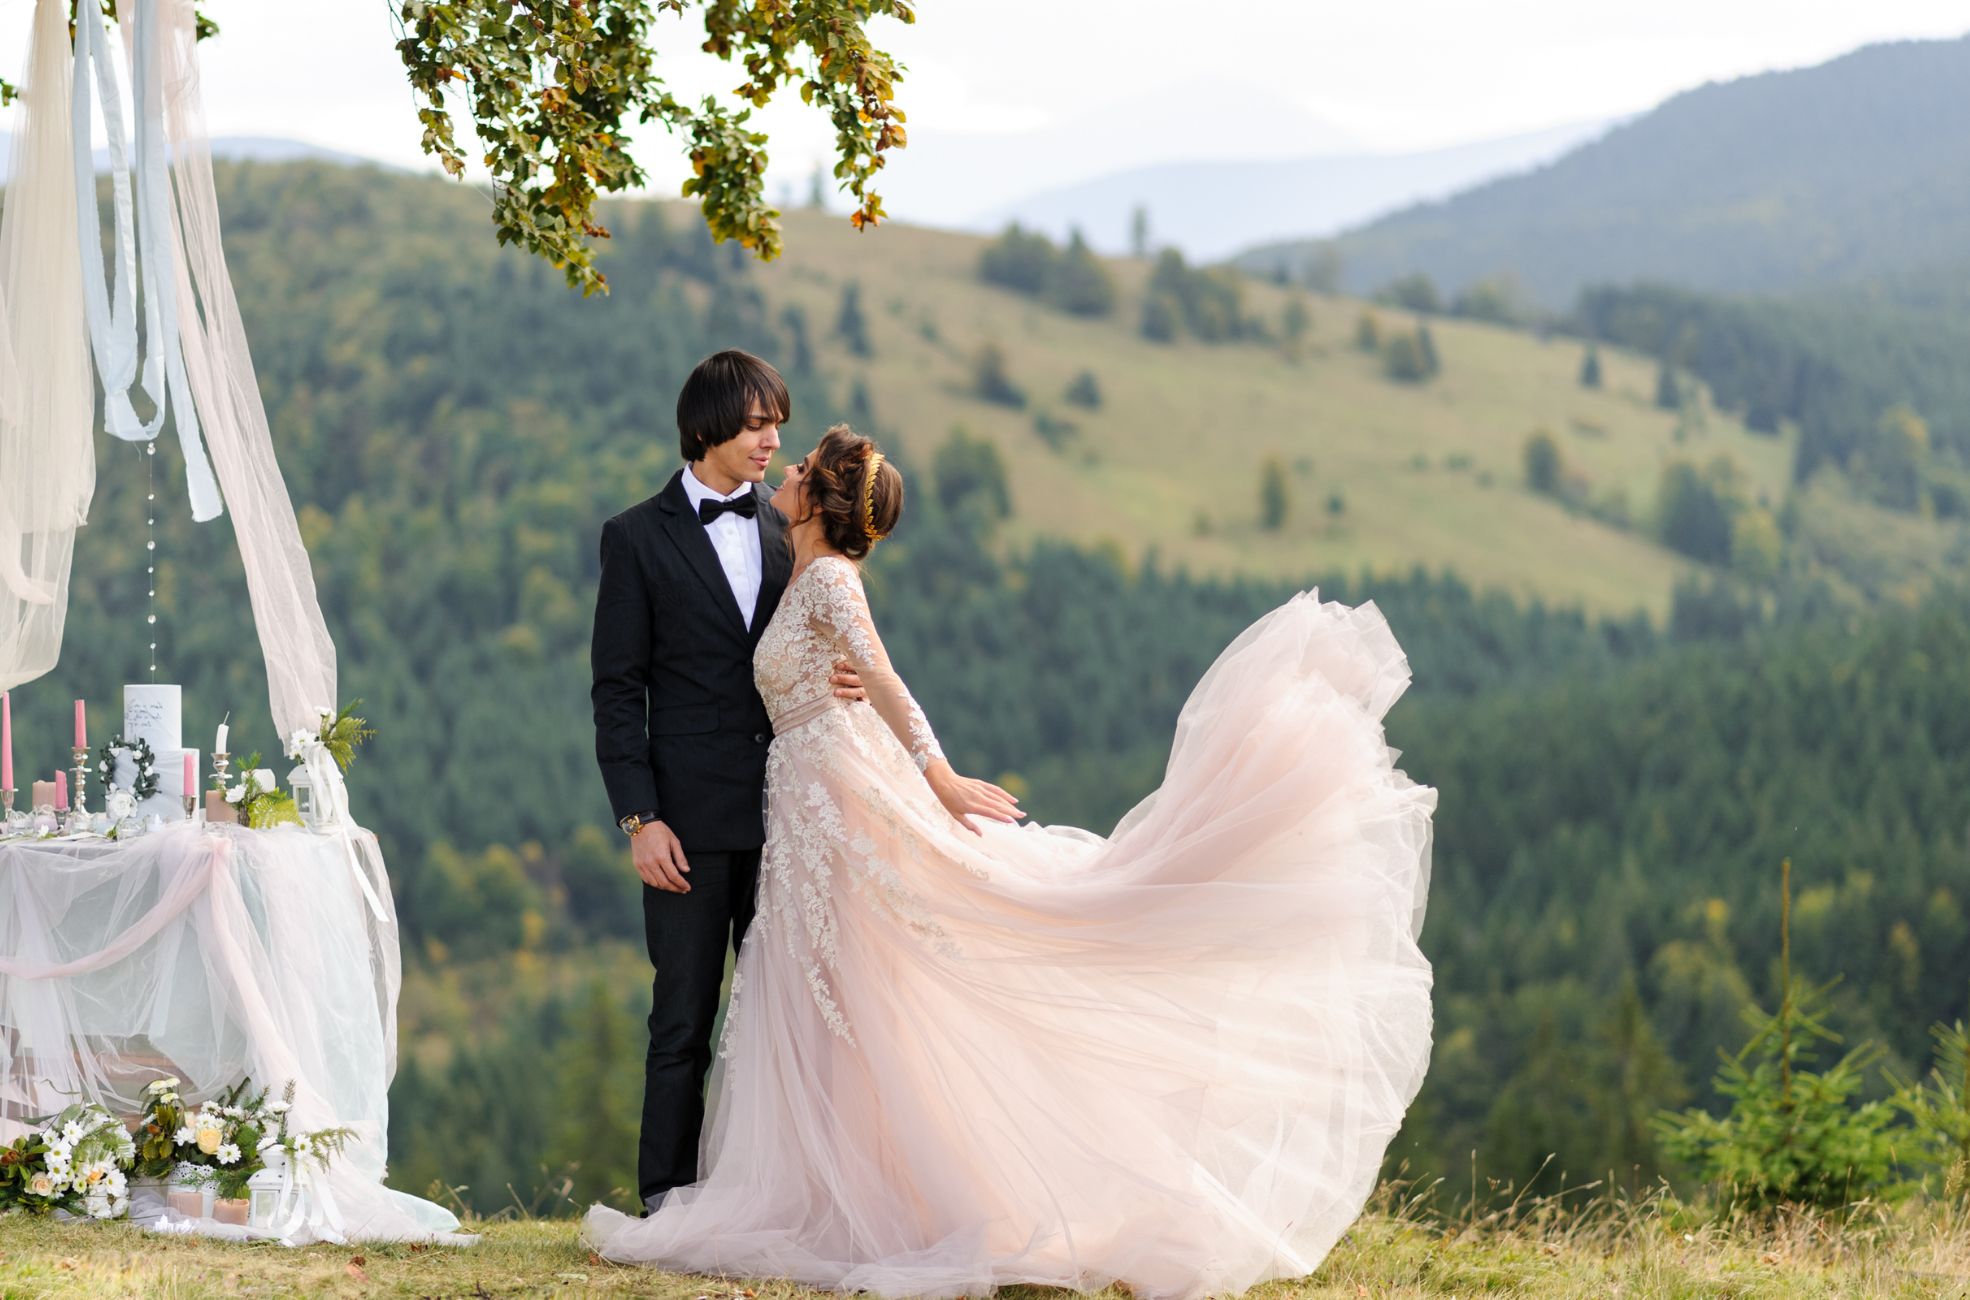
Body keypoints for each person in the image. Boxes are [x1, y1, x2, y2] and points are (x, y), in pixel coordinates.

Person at [586, 424, 1436, 1299]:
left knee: (866, 991)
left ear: (821, 499)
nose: (786, 464)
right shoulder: (792, 558)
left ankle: (876, 1202)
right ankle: (836, 1189)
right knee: (832, 1000)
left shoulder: (830, 577)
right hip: (802, 805)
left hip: (840, 801)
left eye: (801, 465)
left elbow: (883, 678)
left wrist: (940, 778)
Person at [589, 350, 871, 1214]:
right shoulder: (635, 537)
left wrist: (845, 681)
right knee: (682, 1022)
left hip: (791, 816)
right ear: (707, 428)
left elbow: (823, 635)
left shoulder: (792, 526)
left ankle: (785, 1195)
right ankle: (668, 1201)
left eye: (776, 424)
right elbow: (617, 691)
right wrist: (640, 818)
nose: (772, 440)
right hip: (686, 826)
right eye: (755, 425)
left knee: (793, 1018)